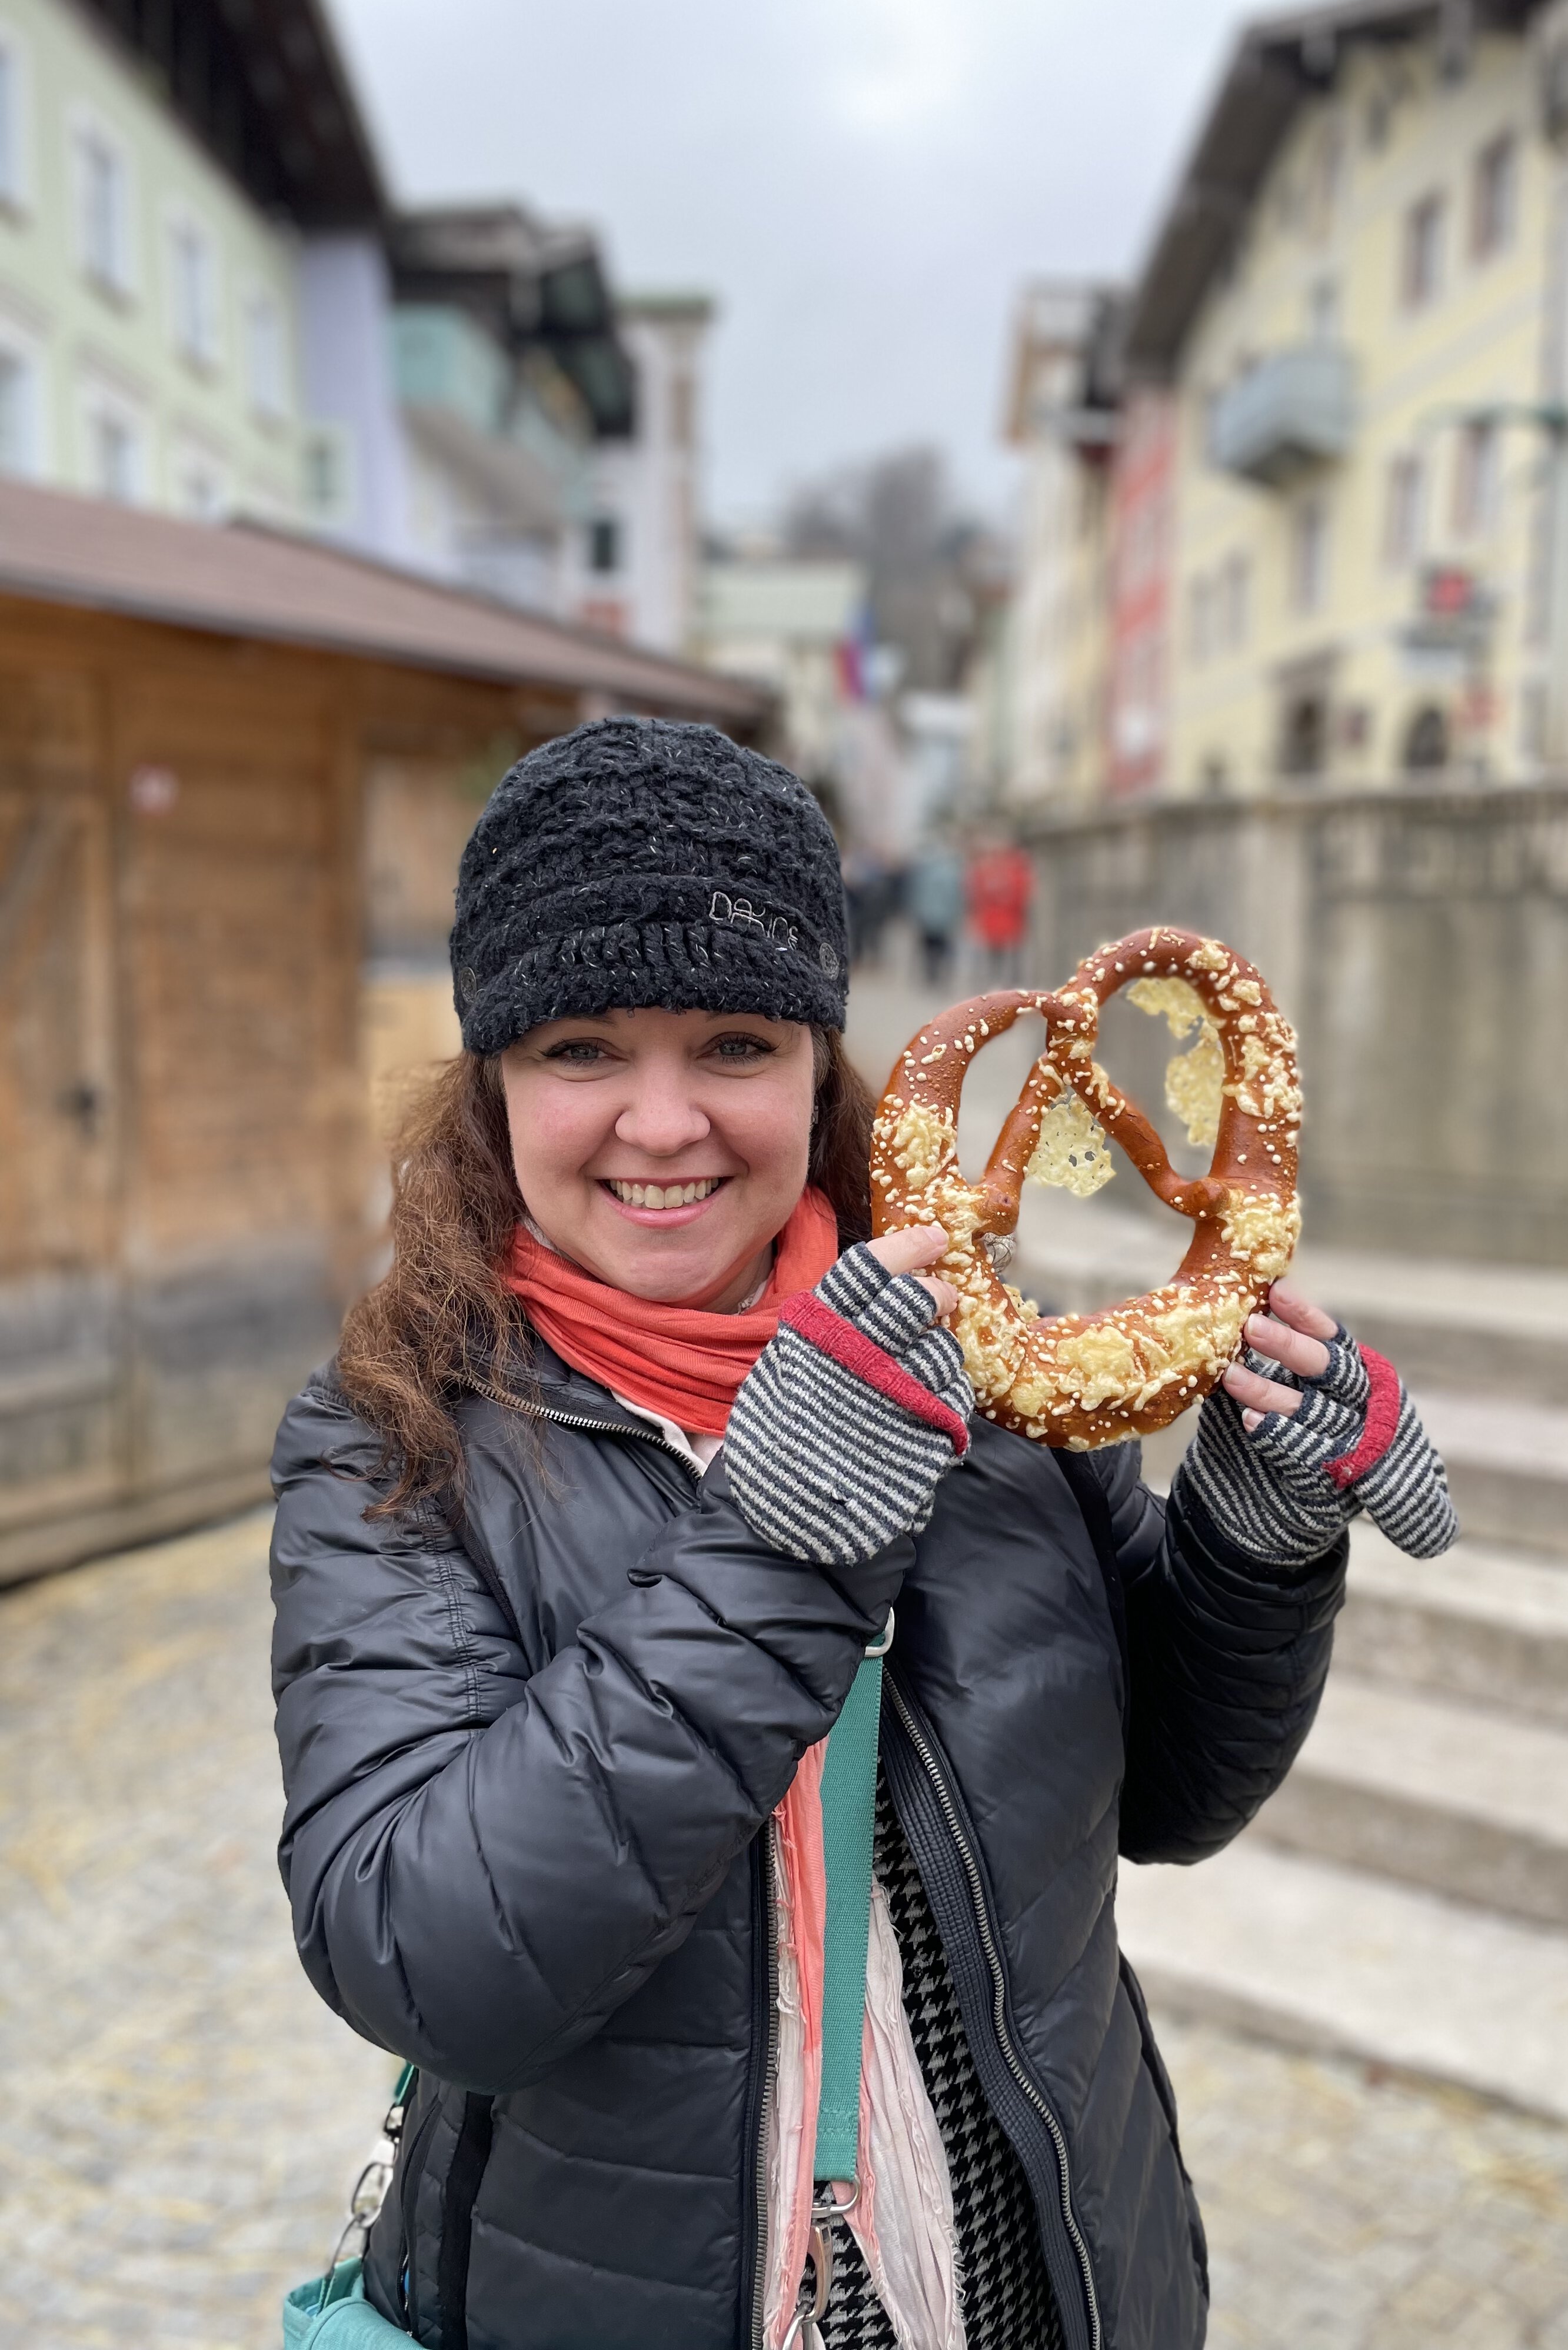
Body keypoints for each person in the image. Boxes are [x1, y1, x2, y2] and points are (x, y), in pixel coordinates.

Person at [269, 718, 1457, 2350]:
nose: (665, 1123)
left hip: (1034, 2275)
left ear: (822, 1062)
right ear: (494, 1081)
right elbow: (430, 1961)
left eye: (737, 1046)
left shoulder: (990, 1373)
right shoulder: (393, 1440)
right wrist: (784, 1535)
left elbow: (1171, 1796)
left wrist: (1254, 1540)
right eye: (583, 1049)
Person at [965, 832, 1034, 985]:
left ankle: (996, 983)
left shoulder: (985, 871)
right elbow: (1023, 896)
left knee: (998, 956)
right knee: (1008, 956)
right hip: (1008, 920)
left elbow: (975, 895)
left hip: (996, 920)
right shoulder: (1015, 870)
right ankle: (1008, 984)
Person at [905, 836, 965, 990]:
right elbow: (957, 897)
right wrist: (957, 914)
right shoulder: (952, 873)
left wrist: (916, 912)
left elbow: (915, 894)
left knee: (928, 948)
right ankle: (939, 974)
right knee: (943, 947)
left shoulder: (924, 873)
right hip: (945, 917)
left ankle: (931, 974)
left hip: (927, 916)